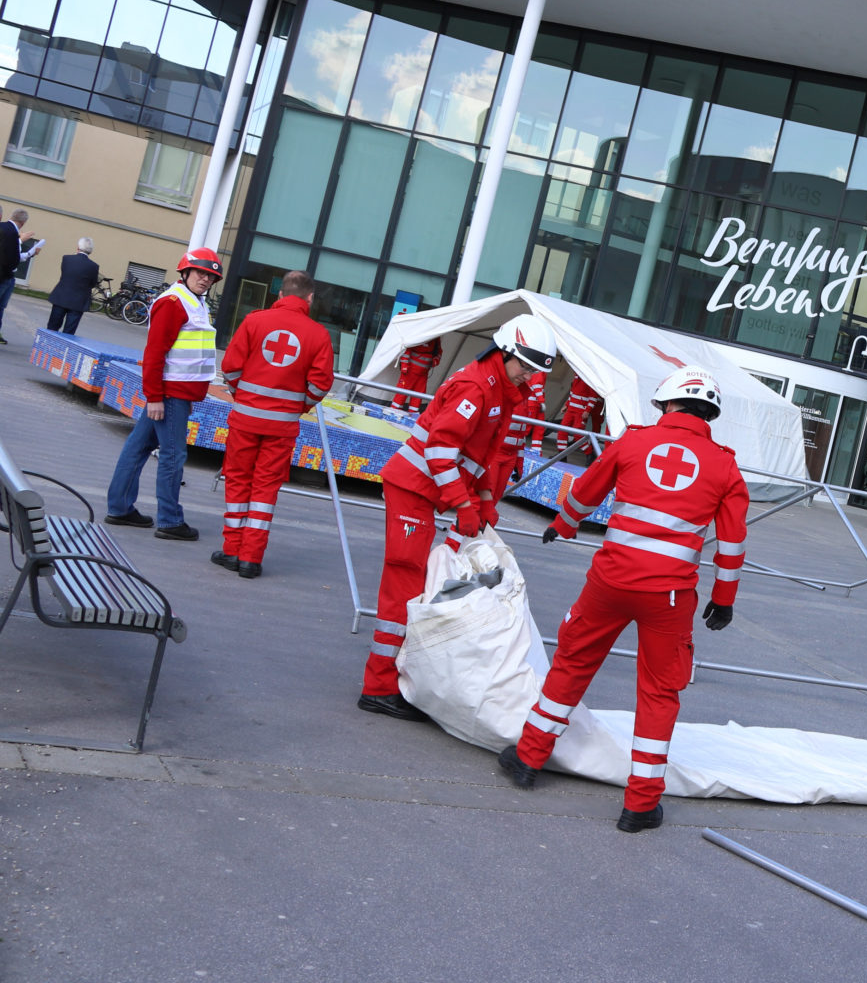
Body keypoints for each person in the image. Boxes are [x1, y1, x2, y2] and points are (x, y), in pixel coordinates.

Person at [496, 366, 748, 834]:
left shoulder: (632, 441)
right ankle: (640, 805)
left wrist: (563, 525)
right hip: (670, 596)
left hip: (609, 582)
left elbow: (588, 490)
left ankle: (528, 759)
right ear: (709, 412)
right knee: (658, 692)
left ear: (668, 404)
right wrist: (724, 598)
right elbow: (732, 544)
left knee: (572, 663)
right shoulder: (725, 466)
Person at [359, 314, 556, 721]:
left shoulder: (499, 389)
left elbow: (477, 458)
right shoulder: (475, 387)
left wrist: (483, 500)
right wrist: (463, 505)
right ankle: (378, 687)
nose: (530, 378)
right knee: (405, 583)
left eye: (536, 371)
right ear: (506, 353)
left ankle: (394, 677)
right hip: (414, 489)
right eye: (526, 367)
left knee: (413, 584)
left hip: (427, 491)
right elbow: (439, 453)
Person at [212, 270, 334, 579]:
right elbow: (321, 384)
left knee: (238, 479)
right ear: (310, 298)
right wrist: (298, 406)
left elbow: (231, 367)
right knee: (266, 487)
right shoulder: (318, 335)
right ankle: (251, 559)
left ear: (279, 295)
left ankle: (231, 551)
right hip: (282, 426)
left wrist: (243, 396)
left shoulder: (255, 321)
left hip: (245, 418)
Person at [104, 248, 223, 539]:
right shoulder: (173, 302)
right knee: (172, 455)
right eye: (200, 273)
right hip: (170, 394)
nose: (205, 279)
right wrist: (155, 396)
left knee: (138, 448)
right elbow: (155, 353)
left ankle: (119, 508)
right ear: (185, 272)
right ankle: (170, 520)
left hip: (177, 392)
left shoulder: (193, 302)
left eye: (211, 276)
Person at [483, 368, 546, 506]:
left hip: (510, 457)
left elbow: (521, 438)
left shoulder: (524, 403)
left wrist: (519, 464)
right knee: (486, 497)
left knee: (495, 498)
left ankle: (483, 525)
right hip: (495, 454)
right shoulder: (502, 396)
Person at [45, 237, 100, 335]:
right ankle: (64, 349)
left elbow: (64, 275)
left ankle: (47, 347)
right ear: (91, 250)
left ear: (78, 247)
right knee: (69, 332)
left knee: (52, 327)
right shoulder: (93, 266)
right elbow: (93, 283)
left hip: (61, 297)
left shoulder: (66, 259)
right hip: (78, 301)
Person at [0, 207, 36, 344]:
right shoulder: (10, 231)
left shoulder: (10, 230)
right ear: (24, 222)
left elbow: (13, 255)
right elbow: (9, 255)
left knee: (1, 307)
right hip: (4, 276)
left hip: (8, 277)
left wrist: (29, 253)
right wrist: (20, 241)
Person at [394, 335, 442, 414]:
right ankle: (394, 411)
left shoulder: (436, 337)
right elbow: (407, 347)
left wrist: (435, 361)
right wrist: (405, 365)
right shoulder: (419, 333)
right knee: (401, 393)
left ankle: (412, 414)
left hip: (423, 374)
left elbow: (439, 351)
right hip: (409, 372)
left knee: (418, 396)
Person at [559, 375, 605, 440]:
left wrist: (587, 410)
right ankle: (575, 443)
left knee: (595, 425)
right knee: (575, 429)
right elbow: (573, 392)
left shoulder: (590, 376)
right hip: (582, 405)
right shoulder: (577, 376)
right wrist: (567, 404)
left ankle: (593, 444)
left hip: (593, 403)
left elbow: (593, 396)